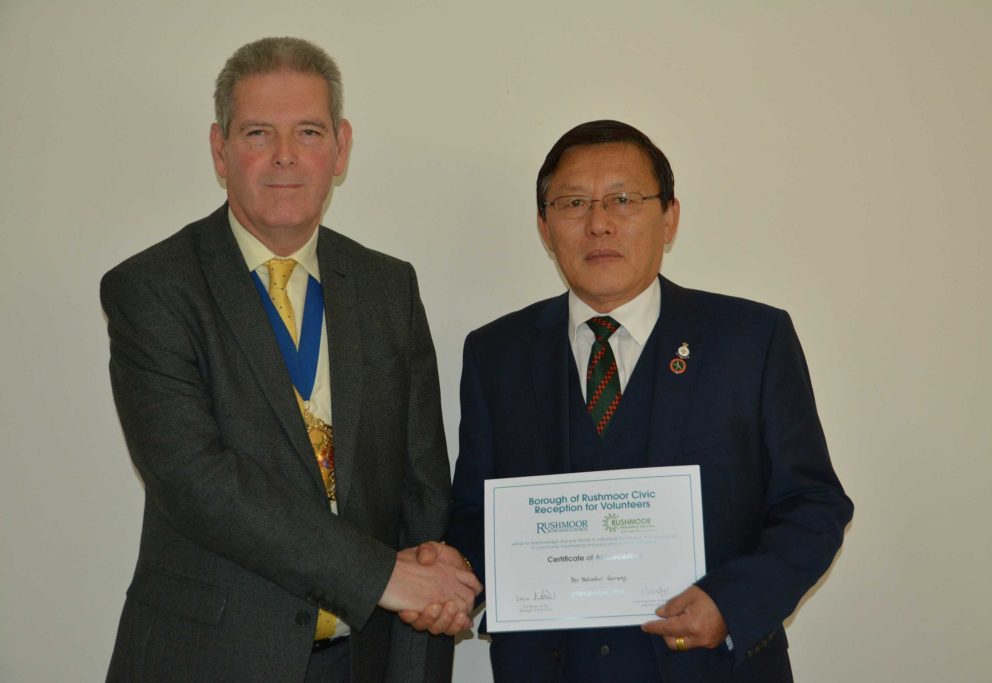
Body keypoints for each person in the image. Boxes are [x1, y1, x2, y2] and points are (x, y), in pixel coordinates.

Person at [101, 37, 479, 682]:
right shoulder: (153, 289)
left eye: (308, 131)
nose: (285, 155)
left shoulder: (388, 287)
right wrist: (384, 576)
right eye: (258, 133)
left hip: (362, 660)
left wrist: (434, 595)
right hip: (210, 661)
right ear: (220, 150)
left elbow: (422, 487)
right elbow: (196, 481)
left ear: (341, 147)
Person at [436, 120, 853, 681]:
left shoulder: (752, 340)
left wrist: (731, 605)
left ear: (670, 218)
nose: (598, 223)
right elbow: (477, 512)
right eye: (573, 203)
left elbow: (814, 504)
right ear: (544, 226)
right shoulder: (496, 353)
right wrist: (454, 569)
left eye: (624, 200)